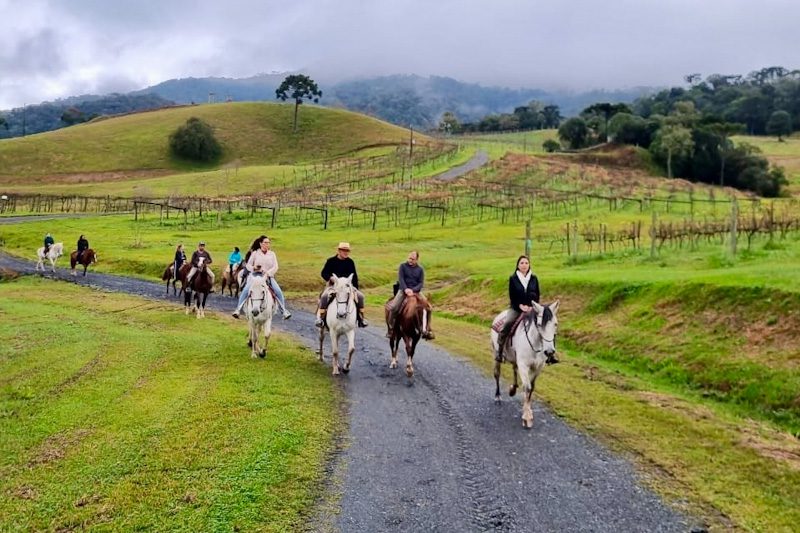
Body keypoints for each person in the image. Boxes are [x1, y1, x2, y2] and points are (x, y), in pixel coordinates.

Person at [232, 236, 291, 319]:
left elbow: (275, 266)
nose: (267, 244)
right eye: (265, 243)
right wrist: (254, 268)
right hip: (256, 275)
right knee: (246, 289)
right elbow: (248, 265)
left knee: (278, 290)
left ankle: (283, 311)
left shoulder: (272, 254)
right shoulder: (255, 253)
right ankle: (238, 309)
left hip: (268, 276)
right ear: (260, 244)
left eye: (268, 243)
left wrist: (268, 273)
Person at [495, 255, 541, 363]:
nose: (524, 265)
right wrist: (520, 306)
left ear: (529, 265)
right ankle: (500, 351)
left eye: (526, 263)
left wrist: (531, 307)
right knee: (507, 324)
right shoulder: (513, 278)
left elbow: (537, 295)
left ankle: (549, 354)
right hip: (517, 308)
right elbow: (512, 296)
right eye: (522, 263)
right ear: (518, 265)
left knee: (545, 324)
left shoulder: (534, 278)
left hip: (531, 308)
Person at [315, 242, 368, 328]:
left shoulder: (350, 262)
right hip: (334, 286)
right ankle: (321, 318)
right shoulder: (331, 261)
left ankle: (361, 318)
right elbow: (323, 273)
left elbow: (354, 276)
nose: (346, 252)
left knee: (361, 296)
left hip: (347, 287)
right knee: (324, 296)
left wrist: (355, 289)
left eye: (347, 251)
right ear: (339, 251)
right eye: (344, 250)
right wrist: (330, 278)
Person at [386, 250, 434, 339]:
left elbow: (420, 283)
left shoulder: (420, 269)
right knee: (393, 307)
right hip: (403, 290)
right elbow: (401, 279)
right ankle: (391, 328)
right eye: (409, 258)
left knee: (429, 308)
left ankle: (428, 329)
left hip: (416, 291)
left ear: (417, 259)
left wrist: (413, 290)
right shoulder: (402, 266)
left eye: (413, 259)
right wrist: (406, 289)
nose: (410, 260)